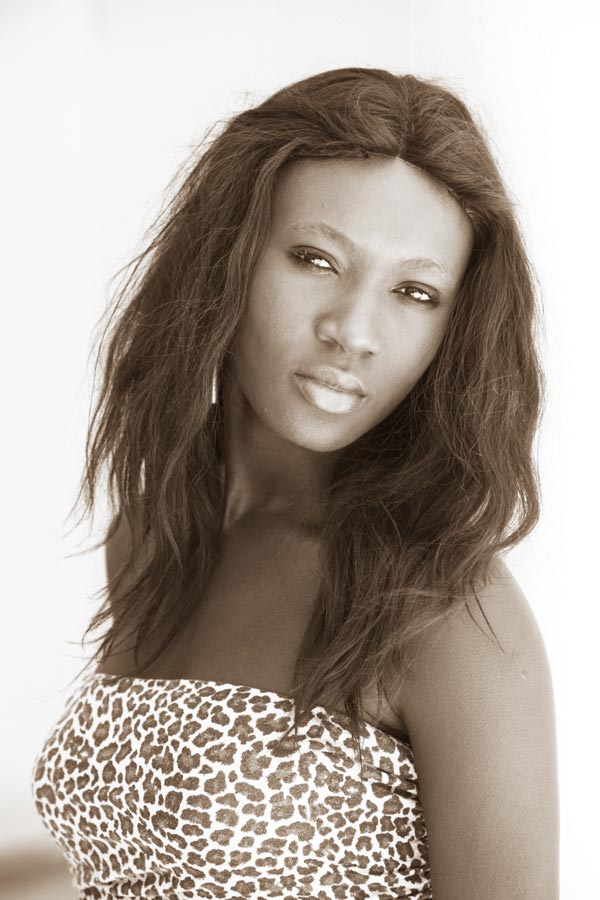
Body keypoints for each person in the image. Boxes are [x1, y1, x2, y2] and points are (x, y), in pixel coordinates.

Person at [31, 67, 559, 900]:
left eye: (415, 292)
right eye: (316, 259)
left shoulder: (442, 604)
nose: (353, 330)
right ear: (228, 258)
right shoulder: (153, 531)